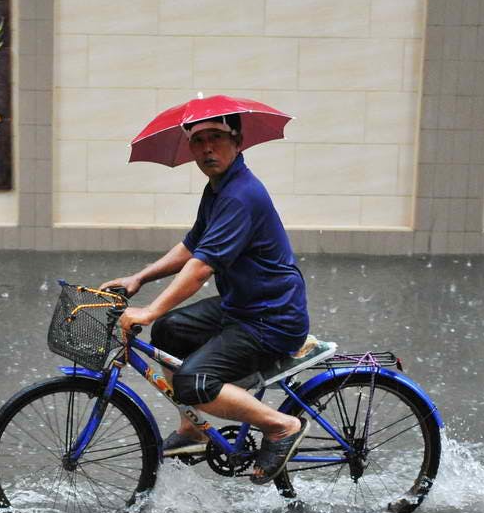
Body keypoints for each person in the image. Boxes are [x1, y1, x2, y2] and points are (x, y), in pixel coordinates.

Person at [103, 113, 321, 484]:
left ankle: (282, 426)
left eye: (216, 138)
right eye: (198, 141)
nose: (207, 148)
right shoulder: (219, 187)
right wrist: (139, 278)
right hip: (243, 306)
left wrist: (151, 310)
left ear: (237, 141)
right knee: (171, 331)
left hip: (272, 319)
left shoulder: (241, 195)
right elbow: (193, 245)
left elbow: (202, 267)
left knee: (192, 382)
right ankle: (195, 430)